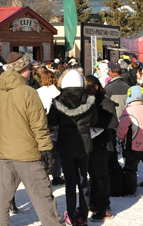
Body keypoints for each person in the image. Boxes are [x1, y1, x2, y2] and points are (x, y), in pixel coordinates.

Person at [0, 52, 62, 226]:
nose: (31, 72)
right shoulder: (28, 92)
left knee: (3, 202)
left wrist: (1, 146)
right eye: (29, 68)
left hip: (6, 155)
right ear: (22, 70)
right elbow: (39, 125)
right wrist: (46, 150)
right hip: (29, 155)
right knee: (44, 201)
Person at [48, 69, 98, 226]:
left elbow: (52, 121)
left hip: (65, 144)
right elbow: (94, 120)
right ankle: (83, 216)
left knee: (70, 182)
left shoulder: (58, 100)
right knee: (83, 180)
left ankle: (71, 216)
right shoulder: (89, 99)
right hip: (84, 144)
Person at [85, 75, 118, 221]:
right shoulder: (87, 100)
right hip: (90, 144)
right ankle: (94, 203)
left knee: (101, 176)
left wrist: (94, 121)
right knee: (92, 175)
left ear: (96, 87)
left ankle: (105, 207)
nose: (87, 91)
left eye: (89, 88)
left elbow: (113, 122)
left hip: (102, 145)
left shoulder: (105, 101)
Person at [117, 86, 143, 197]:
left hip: (132, 146)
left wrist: (119, 138)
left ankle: (131, 190)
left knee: (130, 169)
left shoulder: (128, 111)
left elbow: (123, 128)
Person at [36, 71, 64, 186]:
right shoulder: (58, 92)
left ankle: (43, 175)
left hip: (41, 123)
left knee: (43, 151)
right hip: (56, 124)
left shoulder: (37, 92)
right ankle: (56, 176)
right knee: (56, 152)